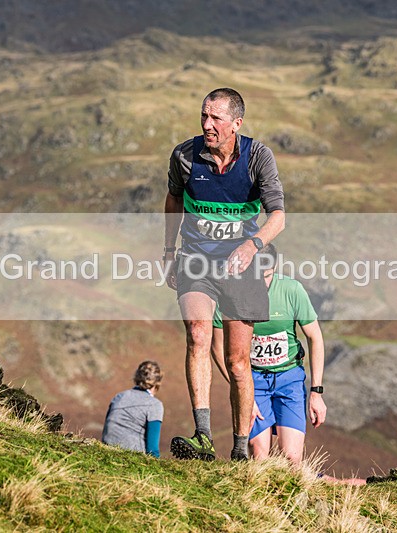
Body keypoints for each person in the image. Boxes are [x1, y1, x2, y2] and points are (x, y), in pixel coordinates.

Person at [163, 87, 285, 461]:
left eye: (215, 118)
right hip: (196, 260)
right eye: (203, 116)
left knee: (237, 360)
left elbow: (277, 216)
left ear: (236, 123)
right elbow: (172, 201)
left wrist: (252, 246)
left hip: (242, 265)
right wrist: (169, 251)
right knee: (198, 335)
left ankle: (239, 448)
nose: (207, 124)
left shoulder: (257, 157)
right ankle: (202, 435)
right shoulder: (185, 156)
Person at [210, 244, 327, 465]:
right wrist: (240, 388)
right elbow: (216, 346)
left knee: (292, 457)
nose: (263, 283)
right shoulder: (228, 294)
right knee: (259, 453)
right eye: (257, 277)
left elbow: (315, 338)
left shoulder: (292, 290)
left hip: (289, 378)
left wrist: (316, 393)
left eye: (268, 275)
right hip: (252, 381)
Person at [101, 361, 164, 458]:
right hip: (132, 458)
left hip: (105, 453)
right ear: (157, 382)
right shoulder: (155, 405)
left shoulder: (119, 397)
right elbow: (152, 449)